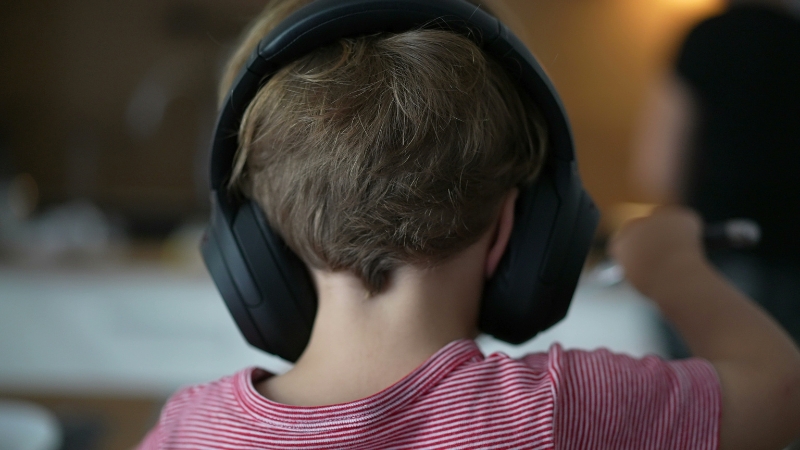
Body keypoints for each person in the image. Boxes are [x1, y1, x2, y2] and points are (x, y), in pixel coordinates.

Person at [138, 0, 800, 448]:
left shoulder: (188, 429)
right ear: (524, 228)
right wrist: (675, 269)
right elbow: (781, 391)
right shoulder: (560, 409)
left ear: (256, 242)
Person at [633, 0, 800, 362]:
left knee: (710, 407)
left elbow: (659, 167)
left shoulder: (707, 39)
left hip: (718, 258)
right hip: (792, 262)